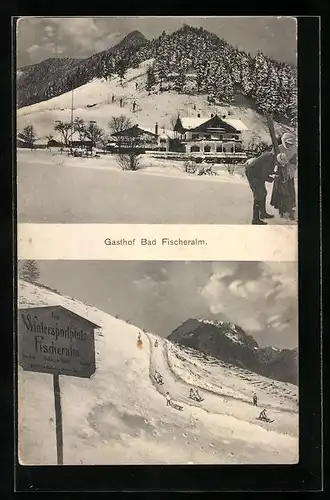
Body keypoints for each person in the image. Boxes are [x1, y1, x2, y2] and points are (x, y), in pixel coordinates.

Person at [245, 151, 279, 224]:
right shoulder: (268, 159)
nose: (277, 165)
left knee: (263, 193)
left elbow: (266, 170)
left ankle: (263, 213)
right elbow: (265, 175)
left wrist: (274, 173)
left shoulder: (272, 157)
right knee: (259, 195)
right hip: (252, 173)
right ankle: (255, 219)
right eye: (278, 164)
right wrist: (273, 179)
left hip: (257, 173)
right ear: (277, 159)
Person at [270, 132, 297, 221]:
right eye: (288, 143)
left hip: (289, 174)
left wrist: (290, 165)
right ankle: (281, 208)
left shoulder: (294, 149)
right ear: (284, 141)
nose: (289, 145)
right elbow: (271, 160)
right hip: (280, 173)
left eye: (291, 144)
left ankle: (290, 208)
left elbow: (294, 162)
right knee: (280, 191)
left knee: (289, 190)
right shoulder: (277, 148)